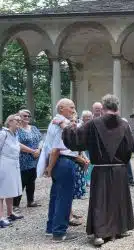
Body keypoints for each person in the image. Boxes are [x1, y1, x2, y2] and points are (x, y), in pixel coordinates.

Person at [62, 94, 134, 246]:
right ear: (117, 107)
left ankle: (100, 234)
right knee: (118, 198)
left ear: (103, 107)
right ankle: (120, 229)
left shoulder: (93, 124)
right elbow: (131, 146)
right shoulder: (124, 124)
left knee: (101, 200)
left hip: (101, 169)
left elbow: (77, 142)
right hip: (119, 169)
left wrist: (68, 129)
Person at [37, 98, 79, 241]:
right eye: (71, 108)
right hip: (64, 163)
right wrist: (49, 168)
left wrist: (50, 167)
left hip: (57, 163)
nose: (74, 111)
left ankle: (51, 228)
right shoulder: (63, 125)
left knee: (55, 196)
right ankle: (59, 232)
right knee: (64, 198)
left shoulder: (55, 122)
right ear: (61, 109)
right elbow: (57, 149)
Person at [13, 109, 42, 211]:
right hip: (23, 159)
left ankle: (31, 201)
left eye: (28, 116)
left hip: (34, 159)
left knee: (32, 179)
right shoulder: (17, 130)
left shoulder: (33, 128)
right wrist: (32, 151)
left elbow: (41, 139)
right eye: (24, 116)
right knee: (21, 181)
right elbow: (17, 143)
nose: (26, 118)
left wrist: (38, 149)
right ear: (19, 117)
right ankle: (15, 205)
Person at [0, 114, 24, 228]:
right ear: (9, 122)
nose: (19, 122)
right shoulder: (3, 133)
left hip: (13, 164)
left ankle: (10, 213)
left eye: (20, 120)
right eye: (17, 120)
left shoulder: (15, 135)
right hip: (4, 164)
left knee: (10, 189)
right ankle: (1, 217)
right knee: (1, 191)